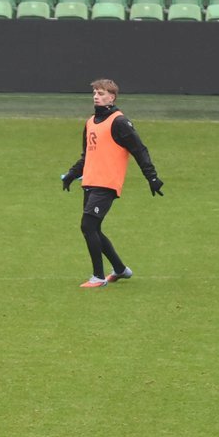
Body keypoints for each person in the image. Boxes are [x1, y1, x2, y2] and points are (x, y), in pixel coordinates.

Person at [61, 78, 164, 288]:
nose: (96, 97)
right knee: (94, 229)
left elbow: (139, 150)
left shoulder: (120, 122)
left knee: (88, 226)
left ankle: (98, 277)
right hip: (90, 182)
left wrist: (152, 177)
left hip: (107, 183)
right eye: (95, 93)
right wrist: (72, 174)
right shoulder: (90, 122)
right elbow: (87, 156)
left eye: (101, 94)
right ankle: (120, 269)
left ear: (112, 97)